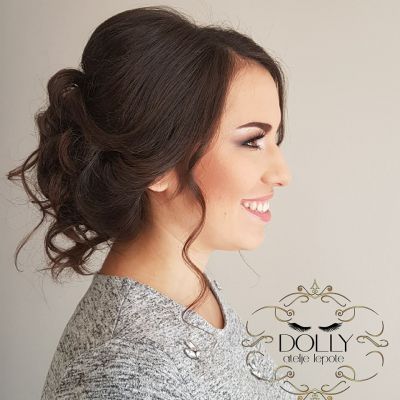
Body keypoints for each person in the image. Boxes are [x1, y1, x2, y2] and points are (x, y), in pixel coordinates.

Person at [7, 5, 294, 399]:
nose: (281, 173)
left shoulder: (193, 296)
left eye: (275, 140)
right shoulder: (126, 370)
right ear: (160, 166)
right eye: (251, 141)